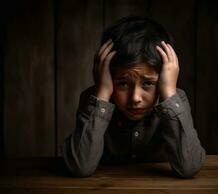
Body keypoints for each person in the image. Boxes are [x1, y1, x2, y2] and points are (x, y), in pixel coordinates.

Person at [63, 16, 206, 178]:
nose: (135, 98)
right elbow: (80, 166)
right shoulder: (95, 99)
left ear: (164, 78)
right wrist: (102, 92)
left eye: (147, 83)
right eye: (123, 83)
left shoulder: (174, 99)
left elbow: (189, 167)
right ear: (107, 77)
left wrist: (168, 92)